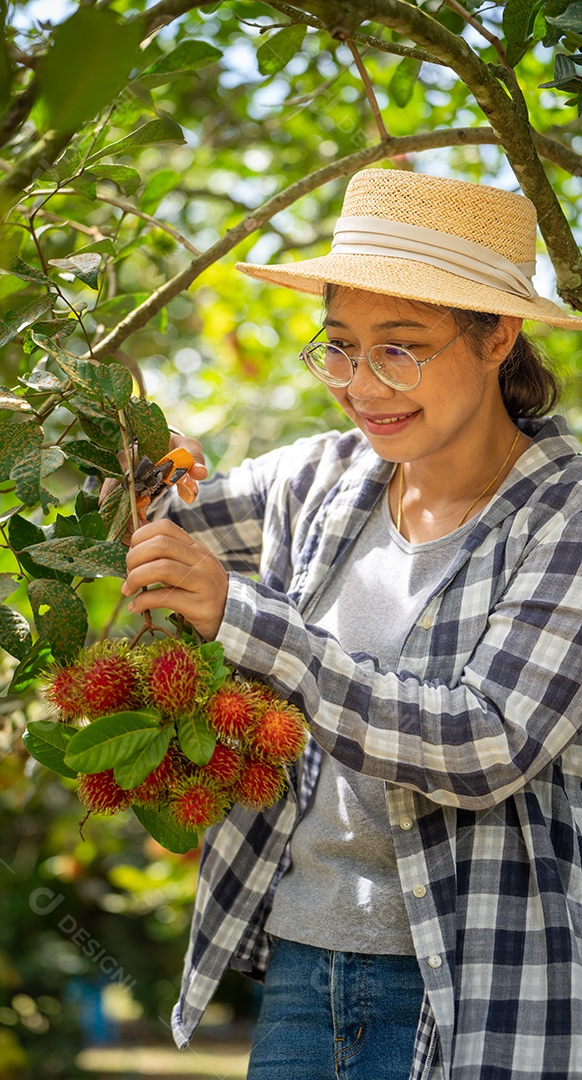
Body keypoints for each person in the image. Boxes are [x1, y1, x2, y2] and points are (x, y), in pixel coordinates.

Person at [118, 169, 582, 1080]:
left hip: (484, 989)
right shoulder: (318, 481)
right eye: (337, 347)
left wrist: (245, 620)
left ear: (499, 336)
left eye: (399, 350)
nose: (363, 386)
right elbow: (142, 529)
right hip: (300, 975)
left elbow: (484, 741)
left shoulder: (563, 517)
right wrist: (138, 465)